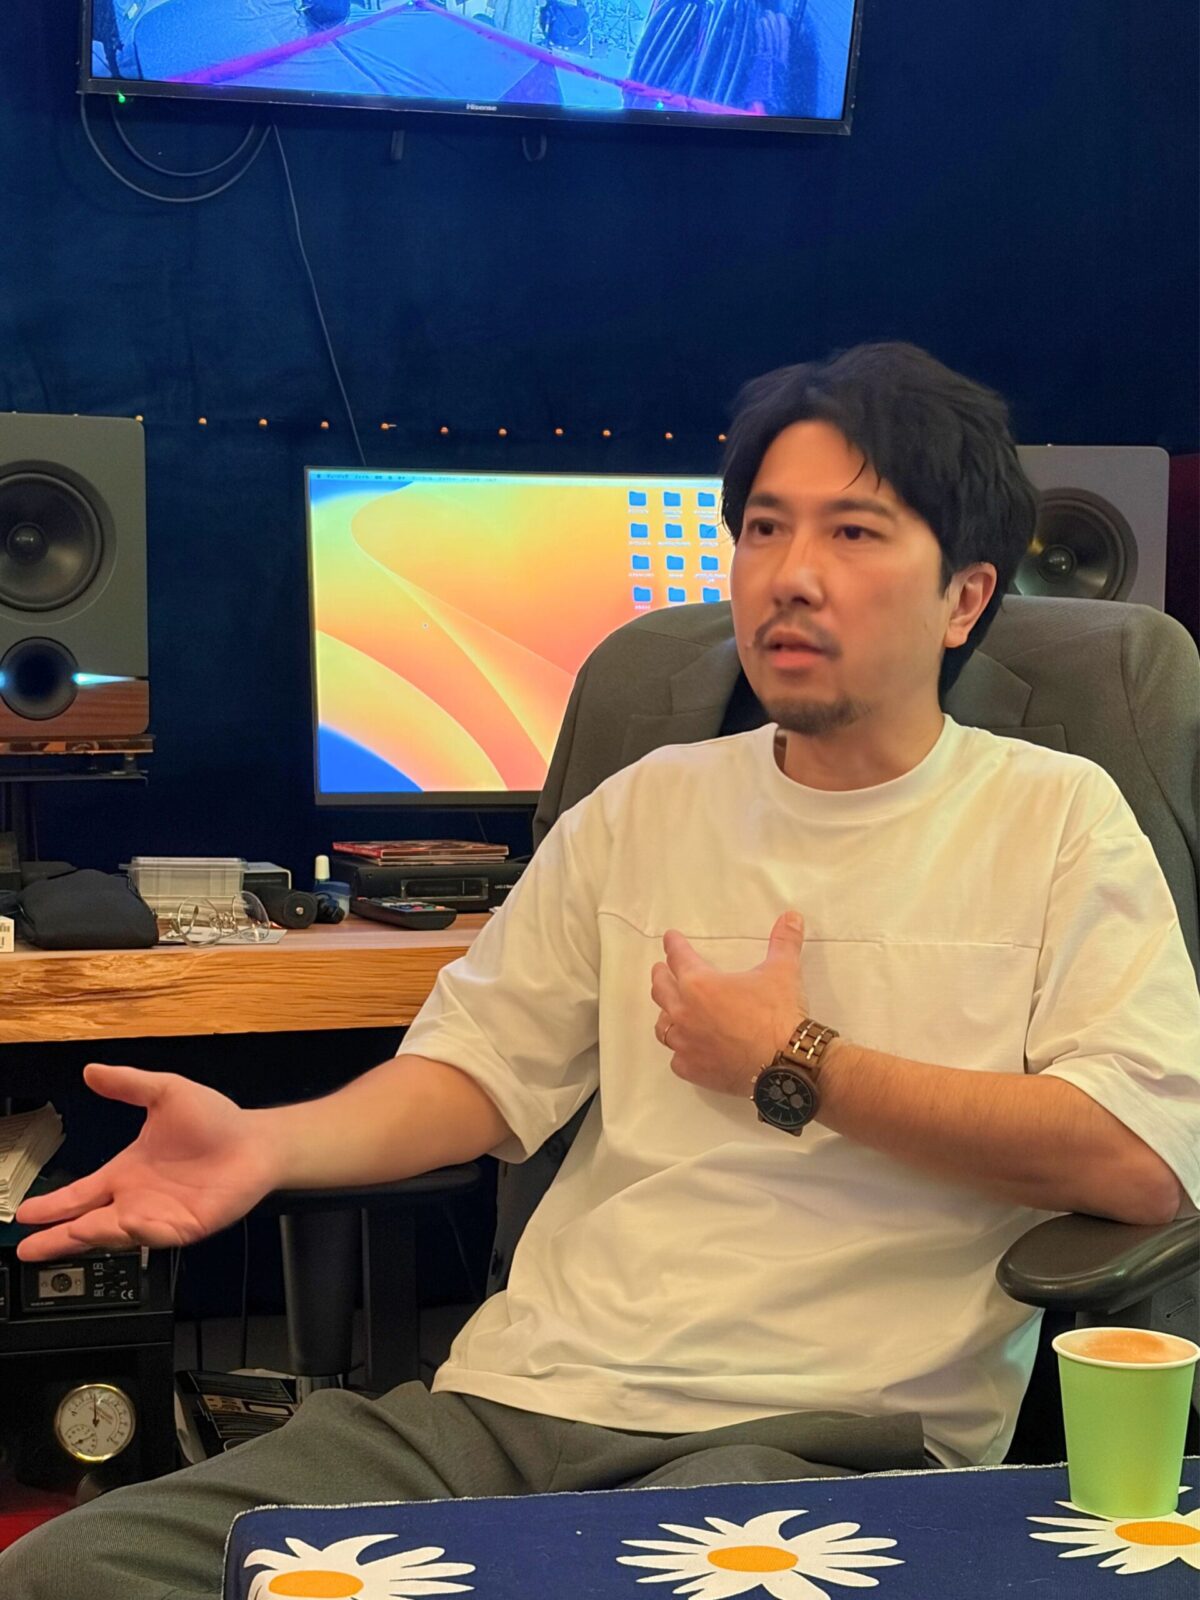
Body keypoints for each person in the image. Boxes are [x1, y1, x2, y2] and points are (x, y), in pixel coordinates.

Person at [5, 342, 1198, 1599]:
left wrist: (801, 1062)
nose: (791, 574)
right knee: (80, 1568)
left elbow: (1141, 1159)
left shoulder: (1056, 818)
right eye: (764, 528)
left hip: (823, 1433)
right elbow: (477, 1075)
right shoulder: (642, 807)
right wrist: (265, 1143)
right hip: (520, 1401)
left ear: (964, 599)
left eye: (854, 532)